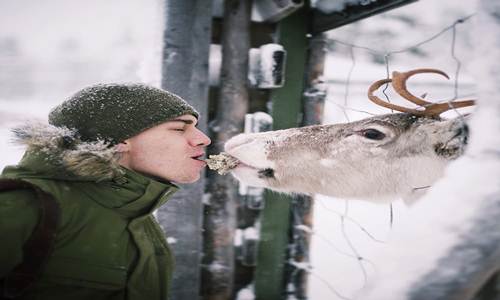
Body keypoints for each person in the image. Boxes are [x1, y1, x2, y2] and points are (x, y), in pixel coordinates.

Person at [0, 83, 211, 300]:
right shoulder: (25, 204)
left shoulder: (137, 216)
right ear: (120, 139)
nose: (204, 138)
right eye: (179, 128)